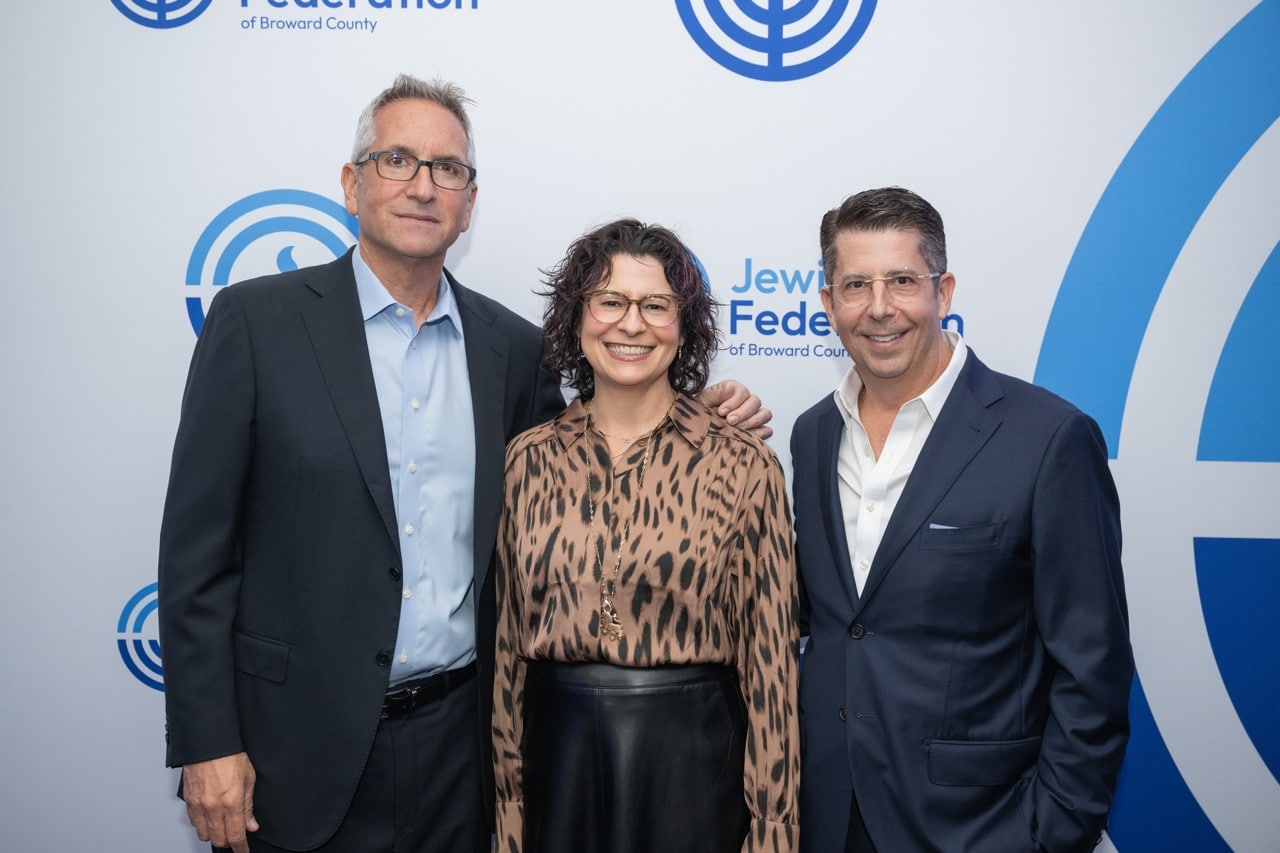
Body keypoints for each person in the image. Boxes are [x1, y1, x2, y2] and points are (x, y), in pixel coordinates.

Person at [157, 75, 769, 853]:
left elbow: (596, 455)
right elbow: (197, 555)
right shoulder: (256, 323)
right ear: (351, 182)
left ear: (470, 201)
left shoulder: (511, 350)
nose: (423, 186)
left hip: (463, 753)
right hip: (292, 750)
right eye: (397, 160)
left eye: (447, 168)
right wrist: (209, 740)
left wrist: (696, 415)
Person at [790, 187, 1133, 853]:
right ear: (829, 304)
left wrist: (1050, 832)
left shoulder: (1048, 438)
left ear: (942, 291)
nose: (879, 307)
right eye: (856, 285)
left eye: (902, 281)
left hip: (981, 826)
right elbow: (828, 620)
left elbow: (1093, 667)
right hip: (829, 818)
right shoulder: (813, 435)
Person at [491, 219, 801, 853]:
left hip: (695, 774)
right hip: (558, 774)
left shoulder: (743, 465)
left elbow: (771, 668)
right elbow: (507, 653)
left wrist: (774, 833)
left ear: (683, 327)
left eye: (655, 305)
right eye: (609, 301)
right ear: (577, 319)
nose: (631, 324)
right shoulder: (528, 460)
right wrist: (509, 811)